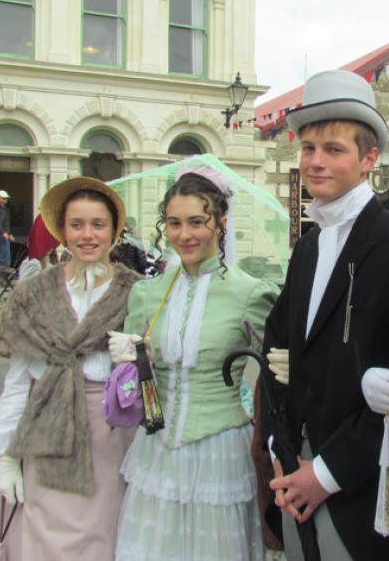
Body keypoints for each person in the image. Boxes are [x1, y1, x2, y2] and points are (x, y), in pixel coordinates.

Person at [260, 69, 389, 560]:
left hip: (360, 482)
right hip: (295, 470)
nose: (315, 162)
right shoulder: (309, 245)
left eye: (333, 149)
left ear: (368, 160)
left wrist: (324, 475)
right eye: (308, 149)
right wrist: (281, 447)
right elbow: (276, 346)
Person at [110, 169, 278, 561]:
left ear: (221, 223)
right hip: (157, 450)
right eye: (174, 223)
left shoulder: (251, 293)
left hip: (220, 449)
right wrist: (129, 362)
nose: (184, 235)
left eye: (196, 222)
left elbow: (279, 373)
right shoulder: (145, 294)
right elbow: (131, 380)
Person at [0, 177, 142, 560]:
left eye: (98, 224)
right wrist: (6, 455)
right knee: (43, 537)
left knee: (107, 536)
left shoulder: (137, 292)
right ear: (61, 230)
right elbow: (19, 382)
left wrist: (138, 357)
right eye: (77, 224)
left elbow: (158, 376)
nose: (87, 235)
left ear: (115, 230)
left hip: (113, 436)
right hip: (45, 435)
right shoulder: (32, 293)